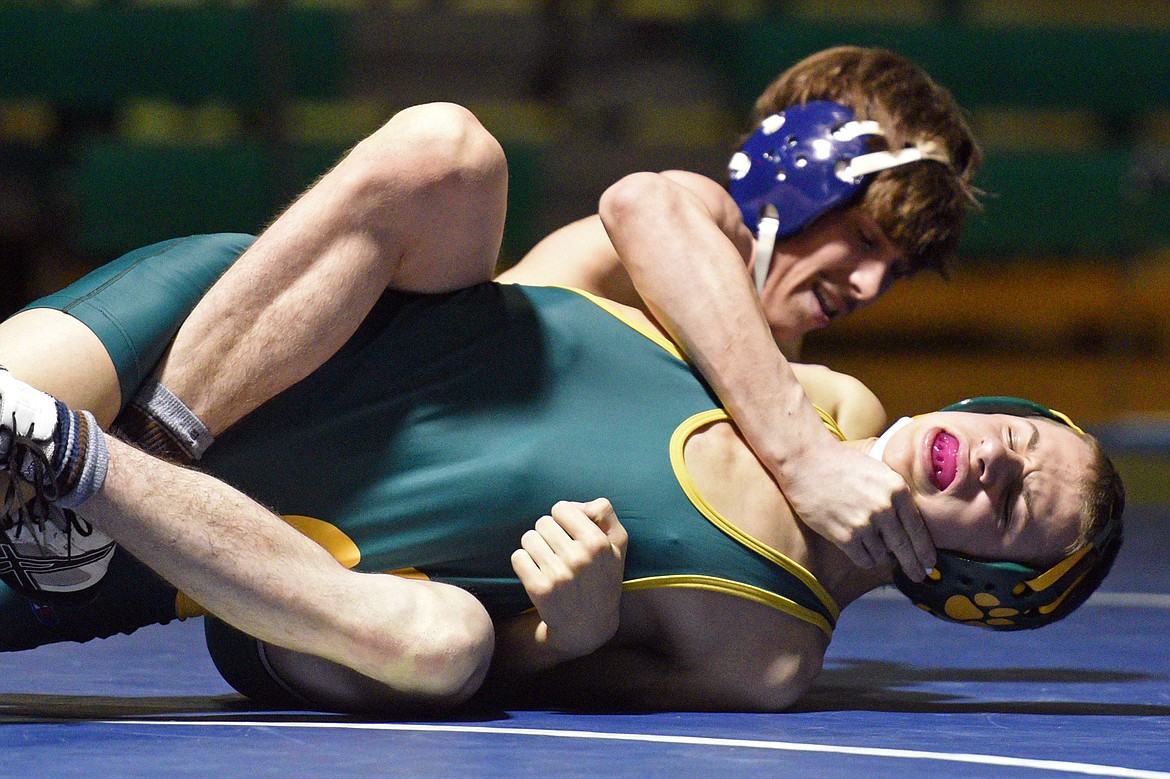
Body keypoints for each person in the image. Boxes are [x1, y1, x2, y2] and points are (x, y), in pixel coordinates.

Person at [0, 107, 1120, 715]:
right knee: (449, 149)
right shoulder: (773, 365)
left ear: (970, 588)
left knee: (445, 646)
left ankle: (94, 477)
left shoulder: (762, 649)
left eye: (1014, 502)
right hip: (200, 350)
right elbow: (650, 202)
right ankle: (124, 457)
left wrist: (565, 627)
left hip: (217, 554)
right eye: (1013, 439)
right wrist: (796, 450)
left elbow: (531, 671)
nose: (992, 463)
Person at [500, 45, 983, 580]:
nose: (869, 287)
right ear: (791, 180)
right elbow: (643, 203)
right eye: (864, 237)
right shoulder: (689, 221)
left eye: (895, 271)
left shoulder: (799, 391)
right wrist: (805, 456)